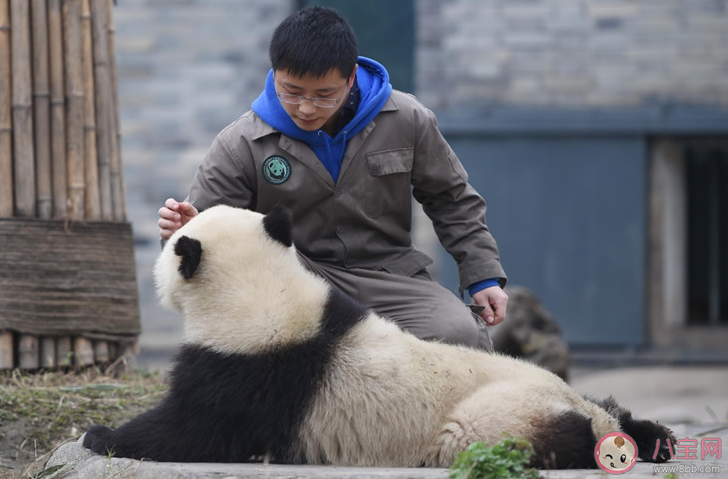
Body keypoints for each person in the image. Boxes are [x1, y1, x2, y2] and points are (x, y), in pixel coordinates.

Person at [158, 6, 507, 351]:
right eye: (291, 91)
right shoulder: (241, 143)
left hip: (389, 275)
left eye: (325, 95)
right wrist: (183, 232)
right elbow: (204, 236)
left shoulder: (408, 120)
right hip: (292, 278)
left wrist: (483, 275)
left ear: (351, 77)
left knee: (458, 334)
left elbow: (452, 199)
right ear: (275, 73)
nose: (306, 108)